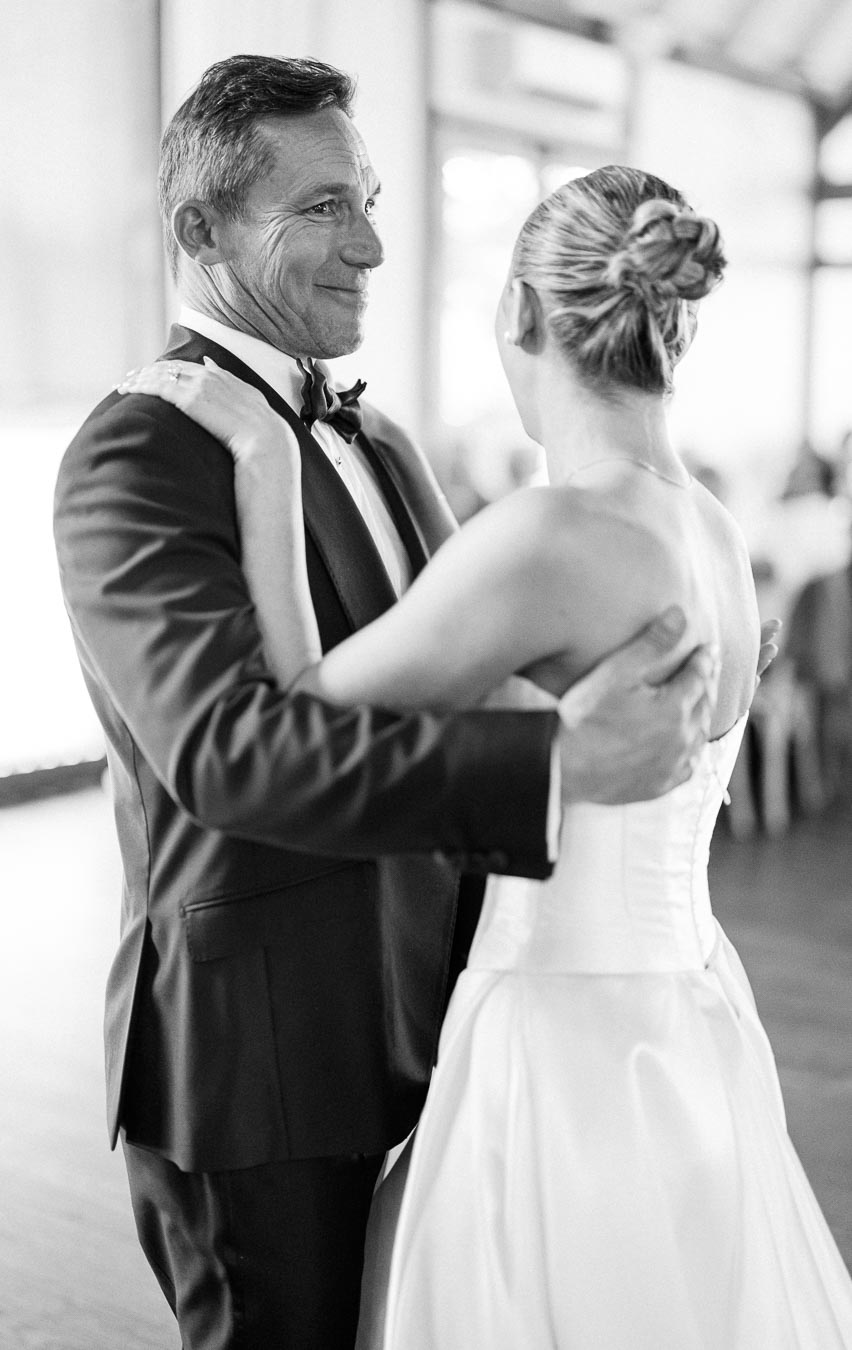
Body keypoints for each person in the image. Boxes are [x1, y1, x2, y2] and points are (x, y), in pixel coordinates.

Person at [54, 55, 767, 1350]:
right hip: (258, 1056)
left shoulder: (380, 443)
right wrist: (554, 765)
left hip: (423, 1015)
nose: (375, 245)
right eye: (323, 208)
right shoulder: (138, 449)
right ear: (198, 231)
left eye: (371, 197)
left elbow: (456, 674)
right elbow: (225, 750)